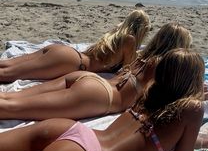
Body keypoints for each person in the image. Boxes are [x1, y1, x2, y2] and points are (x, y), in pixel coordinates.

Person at [0, 49, 208, 151]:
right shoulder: (192, 109)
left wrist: (203, 141)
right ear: (193, 82)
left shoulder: (149, 94)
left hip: (70, 130)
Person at [0, 23, 192, 121]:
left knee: (13, 99)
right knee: (12, 109)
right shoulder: (162, 66)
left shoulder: (142, 57)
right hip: (100, 96)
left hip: (87, 79)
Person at [0, 9, 150, 82]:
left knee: (6, 65)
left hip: (65, 53)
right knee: (8, 74)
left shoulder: (115, 34)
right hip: (72, 63)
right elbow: (128, 70)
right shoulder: (129, 40)